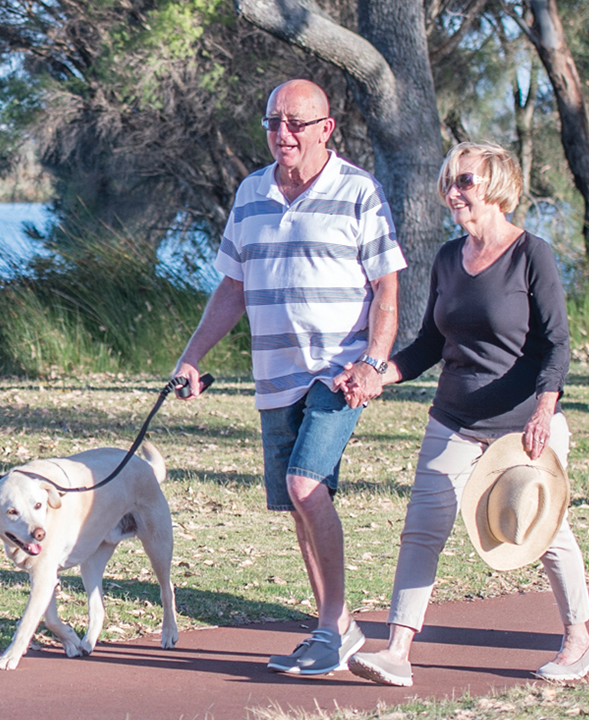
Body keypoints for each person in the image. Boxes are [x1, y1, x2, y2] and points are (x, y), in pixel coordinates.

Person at [170, 78, 406, 678]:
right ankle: (339, 627)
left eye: (298, 123)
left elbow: (386, 285)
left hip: (338, 372)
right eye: (275, 122)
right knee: (300, 506)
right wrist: (192, 356)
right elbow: (232, 286)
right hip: (274, 375)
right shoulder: (251, 193)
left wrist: (373, 363)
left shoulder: (358, 191)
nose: (284, 134)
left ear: (327, 129)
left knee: (306, 486)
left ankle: (330, 628)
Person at [345, 141, 589, 686]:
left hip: (523, 425)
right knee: (422, 529)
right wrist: (379, 374)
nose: (453, 191)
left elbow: (557, 345)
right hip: (454, 417)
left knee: (544, 532)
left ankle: (580, 641)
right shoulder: (446, 259)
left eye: (464, 181)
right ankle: (397, 652)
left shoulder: (533, 254)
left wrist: (543, 410)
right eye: (449, 182)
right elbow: (429, 344)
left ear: (496, 186)